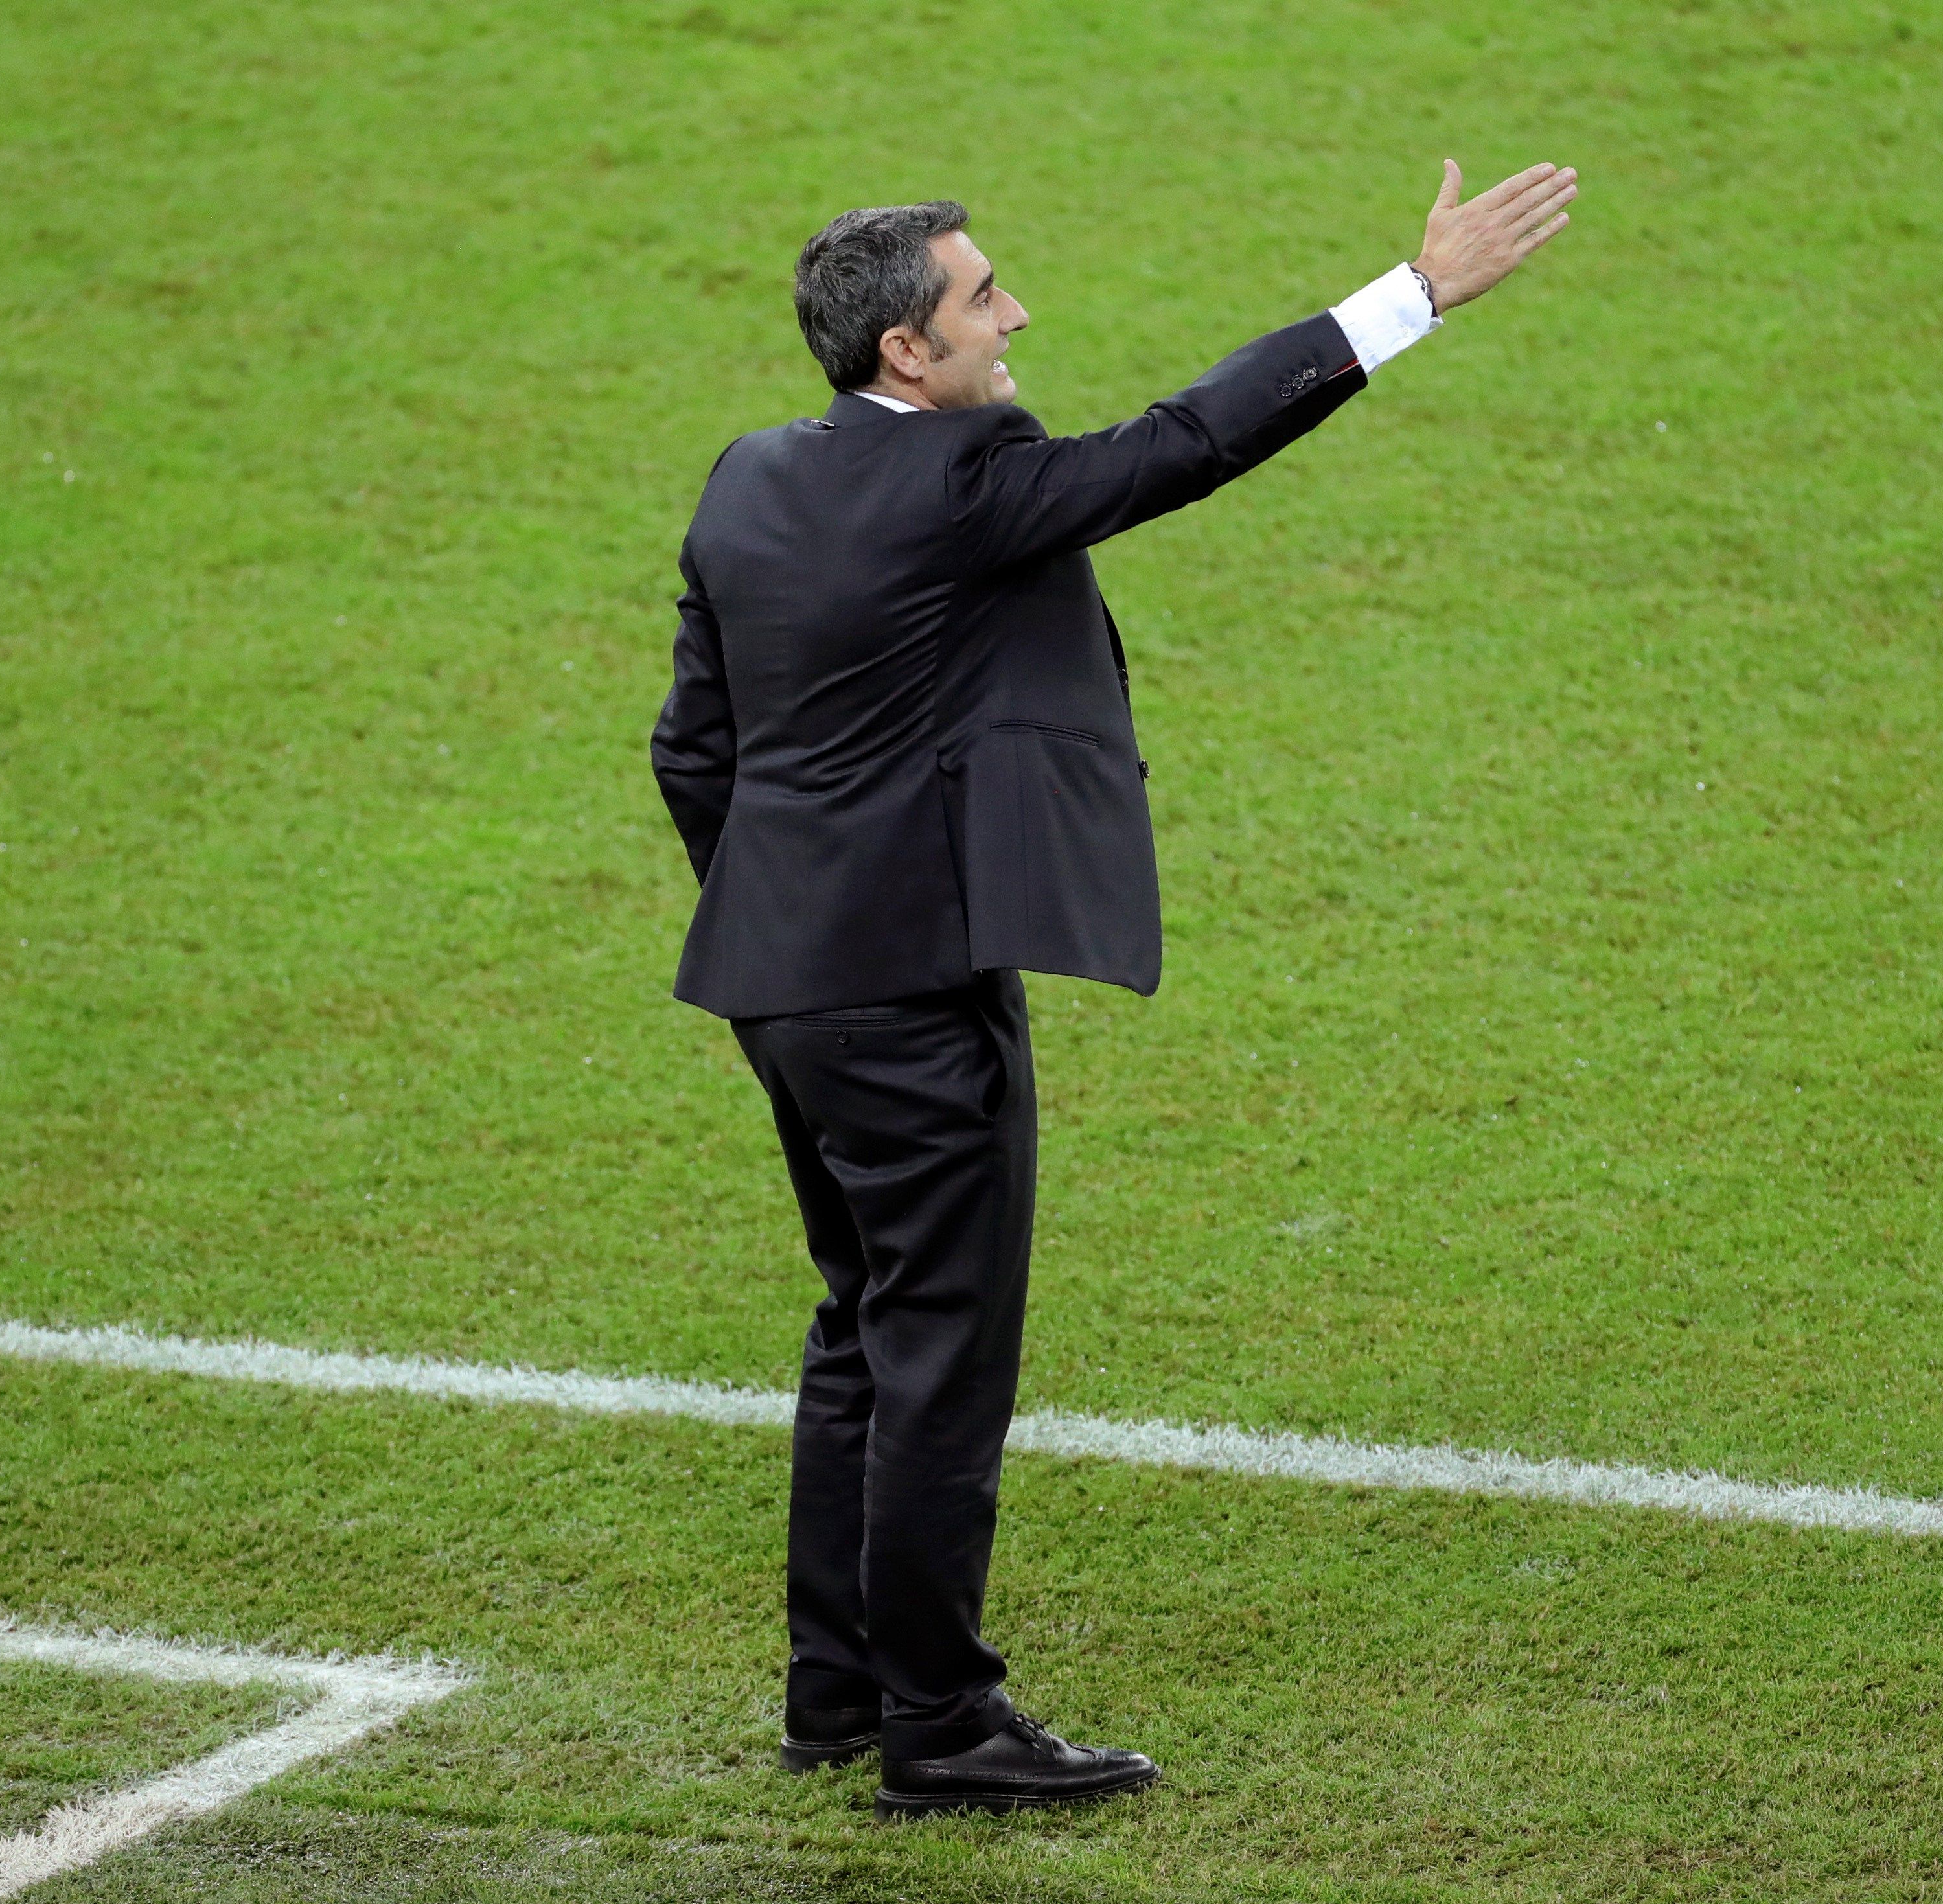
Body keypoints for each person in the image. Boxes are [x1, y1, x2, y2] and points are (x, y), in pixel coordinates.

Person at [650, 159, 1578, 1820]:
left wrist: (787, 915)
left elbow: (692, 749)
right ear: (907, 352)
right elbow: (1186, 441)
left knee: (861, 1323)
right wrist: (1415, 293)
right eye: (981, 298)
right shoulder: (963, 477)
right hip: (906, 994)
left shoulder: (748, 477)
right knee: (937, 1351)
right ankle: (940, 1720)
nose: (1014, 316)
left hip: (777, 984)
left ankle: (836, 1688)